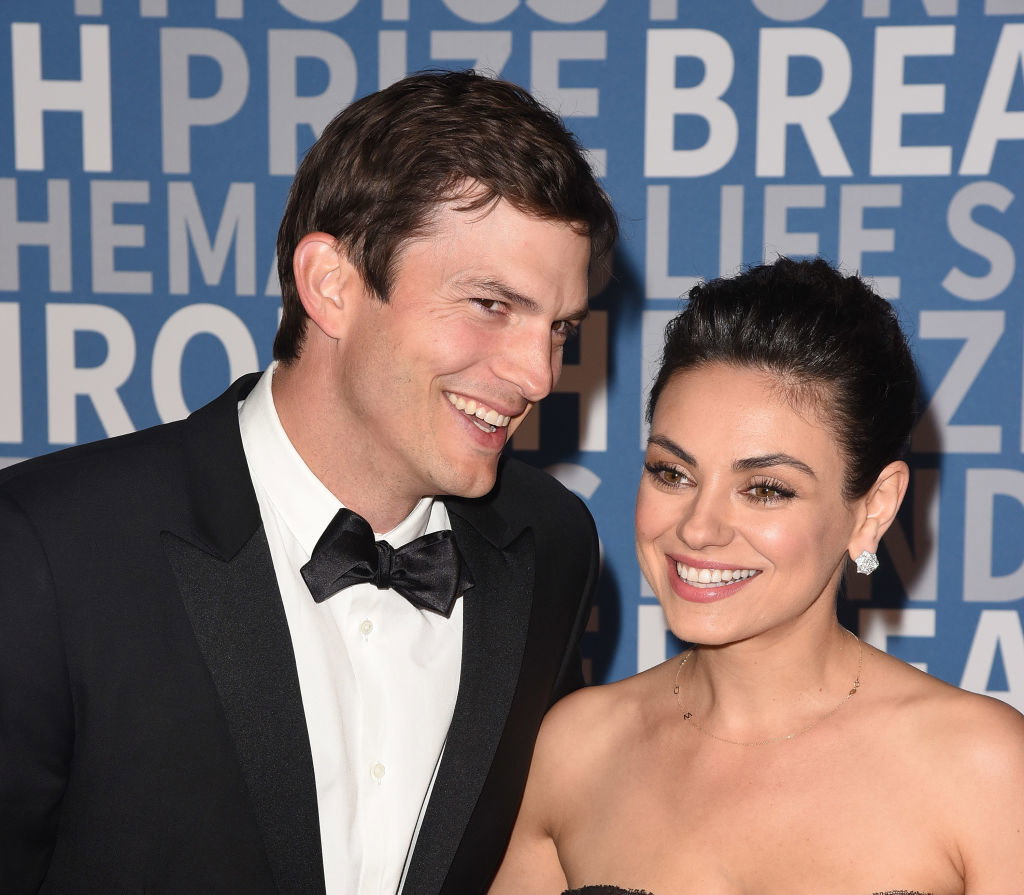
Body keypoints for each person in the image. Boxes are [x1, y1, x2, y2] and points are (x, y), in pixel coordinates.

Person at [0, 71, 617, 894]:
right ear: (331, 283)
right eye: (491, 305)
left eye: (560, 327)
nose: (538, 375)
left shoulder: (551, 545)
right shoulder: (49, 550)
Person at [489, 257, 1024, 895]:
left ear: (873, 509)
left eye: (766, 489)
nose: (699, 528)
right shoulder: (575, 750)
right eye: (672, 473)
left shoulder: (984, 767)